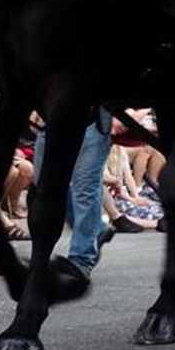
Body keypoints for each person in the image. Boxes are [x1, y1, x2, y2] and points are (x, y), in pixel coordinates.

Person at [30, 106, 116, 280]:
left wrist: (118, 111)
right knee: (45, 187)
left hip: (95, 116)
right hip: (52, 117)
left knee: (84, 189)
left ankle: (81, 259)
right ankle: (96, 228)